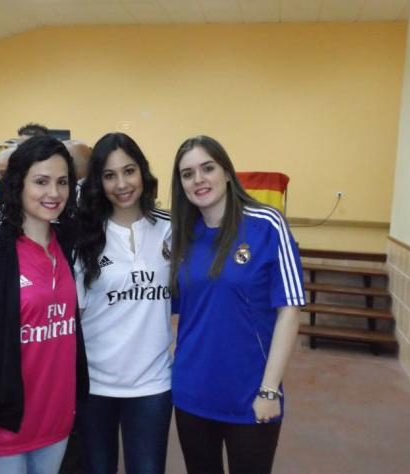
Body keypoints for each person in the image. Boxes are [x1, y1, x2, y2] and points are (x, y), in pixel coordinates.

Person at [0, 135, 89, 474]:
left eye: (62, 182)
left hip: (56, 423)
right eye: (41, 181)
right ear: (18, 185)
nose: (54, 193)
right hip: (3, 429)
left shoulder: (68, 247)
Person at [169, 135, 305, 474]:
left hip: (251, 395)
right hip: (192, 395)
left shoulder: (266, 224)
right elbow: (176, 311)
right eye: (187, 174)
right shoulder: (180, 235)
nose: (198, 179)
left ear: (227, 173)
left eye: (208, 168)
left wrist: (269, 391)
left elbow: (290, 311)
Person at [74, 132, 173, 473]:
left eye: (129, 171)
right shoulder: (84, 236)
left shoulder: (171, 230)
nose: (121, 184)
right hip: (94, 384)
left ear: (142, 172)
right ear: (98, 182)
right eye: (109, 175)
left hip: (152, 383)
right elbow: (76, 313)